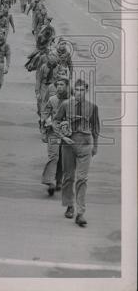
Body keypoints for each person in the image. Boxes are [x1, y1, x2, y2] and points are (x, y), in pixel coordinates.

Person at [54, 79, 100, 227]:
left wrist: (95, 146)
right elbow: (55, 122)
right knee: (68, 177)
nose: (79, 93)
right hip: (69, 144)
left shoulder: (93, 107)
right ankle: (69, 205)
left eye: (82, 90)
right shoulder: (66, 105)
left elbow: (96, 128)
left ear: (86, 91)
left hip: (85, 143)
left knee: (82, 178)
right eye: (77, 90)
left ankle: (80, 212)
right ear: (74, 91)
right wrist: (62, 137)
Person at [41, 76, 72, 196]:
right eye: (58, 85)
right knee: (53, 156)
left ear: (67, 87)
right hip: (53, 132)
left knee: (62, 158)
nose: (59, 87)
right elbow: (45, 115)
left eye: (62, 85)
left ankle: (59, 180)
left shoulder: (72, 101)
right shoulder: (52, 100)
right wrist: (44, 131)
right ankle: (49, 181)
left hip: (67, 133)